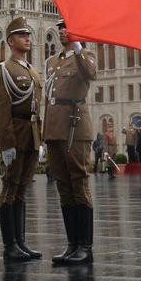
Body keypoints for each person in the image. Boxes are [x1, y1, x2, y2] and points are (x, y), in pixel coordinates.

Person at [43, 19, 97, 265]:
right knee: (63, 185)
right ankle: (72, 244)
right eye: (61, 28)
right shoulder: (52, 62)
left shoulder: (85, 55)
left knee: (78, 182)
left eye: (68, 28)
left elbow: (91, 74)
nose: (63, 31)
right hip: (55, 127)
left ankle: (85, 246)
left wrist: (77, 47)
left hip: (75, 125)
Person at [0, 17, 43, 263]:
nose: (28, 39)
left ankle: (21, 242)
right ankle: (9, 245)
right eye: (23, 35)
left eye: (29, 35)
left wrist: (40, 140)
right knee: (9, 188)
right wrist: (7, 144)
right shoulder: (3, 70)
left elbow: (37, 106)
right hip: (16, 134)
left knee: (21, 189)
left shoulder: (32, 71)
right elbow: (0, 110)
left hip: (32, 134)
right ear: (11, 41)